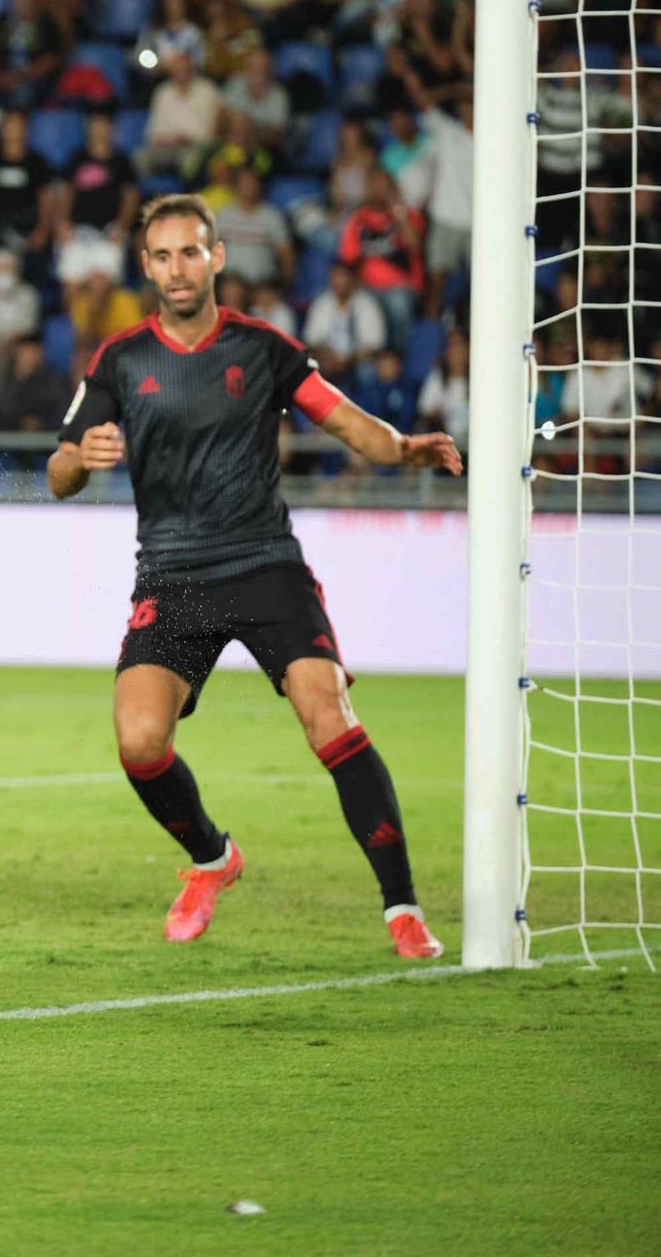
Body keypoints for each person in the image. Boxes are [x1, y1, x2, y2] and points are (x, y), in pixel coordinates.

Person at [49, 194, 460, 958]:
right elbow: (58, 472)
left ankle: (402, 908)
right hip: (171, 577)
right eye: (163, 256)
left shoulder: (260, 347)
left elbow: (344, 420)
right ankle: (213, 858)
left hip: (265, 562)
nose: (178, 269)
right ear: (146, 266)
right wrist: (79, 457)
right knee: (139, 740)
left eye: (191, 252)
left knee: (326, 713)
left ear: (217, 258)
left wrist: (407, 448)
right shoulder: (118, 360)